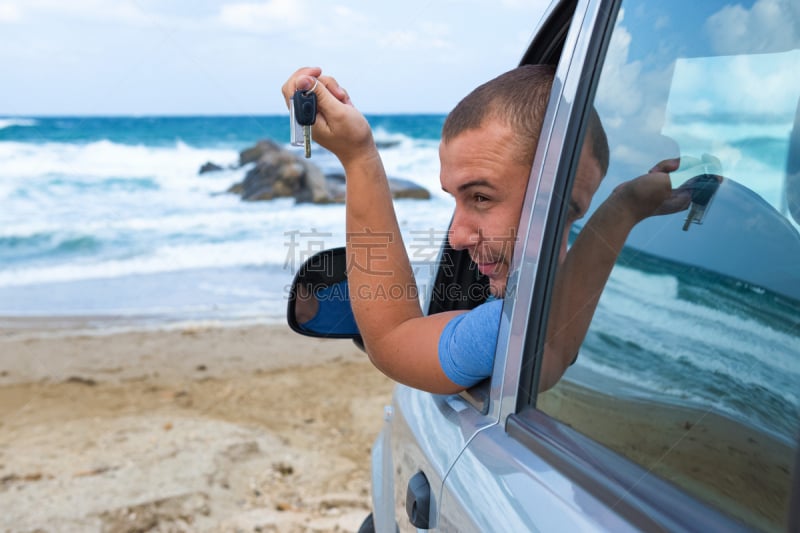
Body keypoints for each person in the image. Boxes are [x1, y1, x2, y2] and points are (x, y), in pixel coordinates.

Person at [281, 65, 690, 394]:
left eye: (480, 198)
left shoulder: (508, 330)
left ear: (557, 206)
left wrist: (358, 156)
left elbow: (392, 339)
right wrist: (624, 208)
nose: (456, 237)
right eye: (455, 199)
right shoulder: (540, 320)